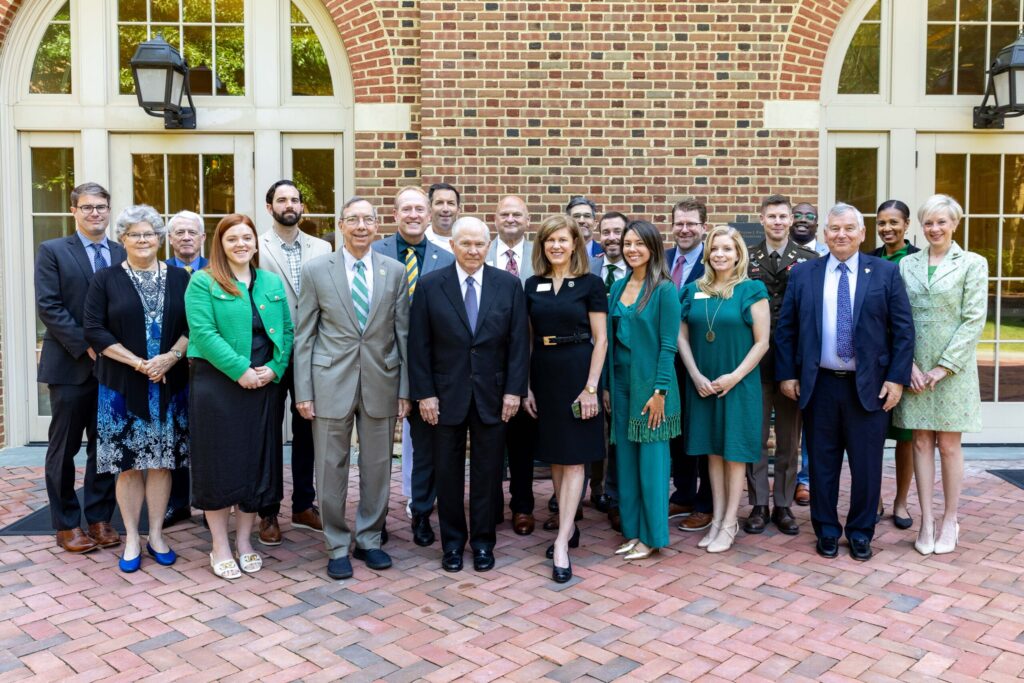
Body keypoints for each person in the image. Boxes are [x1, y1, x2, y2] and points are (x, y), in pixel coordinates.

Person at [775, 203, 914, 561]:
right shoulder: (804, 273)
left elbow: (903, 332)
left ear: (862, 233)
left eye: (849, 229)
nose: (842, 235)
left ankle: (860, 532)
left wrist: (897, 380)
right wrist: (788, 373)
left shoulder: (884, 273)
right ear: (825, 234)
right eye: (835, 228)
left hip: (869, 387)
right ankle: (826, 529)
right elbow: (786, 328)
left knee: (867, 466)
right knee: (822, 464)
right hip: (818, 385)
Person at [294, 196, 410, 580]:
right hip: (329, 382)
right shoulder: (316, 270)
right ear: (340, 225)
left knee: (378, 466)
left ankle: (370, 539)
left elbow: (402, 334)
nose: (361, 226)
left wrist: (406, 388)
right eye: (353, 219)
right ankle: (336, 544)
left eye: (368, 220)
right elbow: (305, 335)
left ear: (377, 226)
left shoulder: (394, 271)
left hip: (382, 380)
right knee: (330, 468)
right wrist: (304, 391)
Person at [409, 216, 529, 573]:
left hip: (493, 395)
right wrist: (425, 394)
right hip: (444, 397)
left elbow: (518, 344)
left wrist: (513, 391)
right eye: (466, 244)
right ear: (453, 246)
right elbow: (419, 345)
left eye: (479, 244)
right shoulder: (431, 286)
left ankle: (482, 543)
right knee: (447, 474)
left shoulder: (507, 285)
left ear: (488, 246)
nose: (473, 250)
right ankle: (451, 544)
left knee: (488, 473)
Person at [185, 214, 293, 579]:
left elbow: (288, 331)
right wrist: (240, 370)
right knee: (220, 466)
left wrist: (275, 369)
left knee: (254, 464)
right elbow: (203, 332)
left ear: (256, 242)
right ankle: (219, 544)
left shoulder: (270, 282)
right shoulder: (203, 282)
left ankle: (245, 541)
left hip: (262, 387)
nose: (241, 244)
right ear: (220, 244)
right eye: (232, 239)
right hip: (217, 388)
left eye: (247, 237)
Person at [83, 205, 190, 571]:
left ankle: (157, 534)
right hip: (121, 385)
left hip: (169, 384)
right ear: (122, 239)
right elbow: (94, 329)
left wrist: (169, 359)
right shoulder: (105, 279)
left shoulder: (181, 279)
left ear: (159, 239)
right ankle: (131, 537)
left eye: (149, 234)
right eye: (134, 234)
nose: (143, 240)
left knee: (161, 464)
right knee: (127, 466)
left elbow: (195, 326)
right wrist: (138, 362)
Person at [894, 194, 987, 556]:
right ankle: (926, 520)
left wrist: (944, 366)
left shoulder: (973, 263)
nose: (934, 229)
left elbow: (973, 319)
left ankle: (950, 518)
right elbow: (899, 318)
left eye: (941, 222)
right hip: (915, 366)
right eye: (928, 223)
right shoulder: (907, 265)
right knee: (919, 441)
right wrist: (911, 365)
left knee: (948, 444)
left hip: (954, 370)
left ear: (955, 223)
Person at [35, 182, 124, 554]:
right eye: (86, 207)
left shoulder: (121, 251)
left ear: (108, 210)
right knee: (64, 448)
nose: (95, 213)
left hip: (114, 370)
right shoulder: (53, 250)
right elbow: (49, 306)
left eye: (101, 207)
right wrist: (89, 345)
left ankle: (100, 518)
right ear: (74, 210)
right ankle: (66, 523)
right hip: (71, 366)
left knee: (105, 447)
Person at [523, 215, 608, 582]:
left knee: (574, 460)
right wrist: (525, 385)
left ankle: (561, 541)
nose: (556, 246)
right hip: (544, 373)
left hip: (577, 370)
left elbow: (601, 339)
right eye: (549, 240)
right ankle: (569, 525)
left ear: (575, 243)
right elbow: (525, 340)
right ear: (542, 246)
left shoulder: (591, 284)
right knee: (557, 456)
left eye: (562, 239)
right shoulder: (532, 285)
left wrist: (591, 387)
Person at [677, 226, 770, 553]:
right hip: (703, 384)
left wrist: (734, 376)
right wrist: (695, 375)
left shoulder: (751, 290)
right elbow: (680, 337)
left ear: (738, 254)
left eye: (727, 249)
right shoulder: (692, 291)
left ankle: (730, 522)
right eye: (715, 249)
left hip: (737, 384)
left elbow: (762, 343)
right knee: (712, 453)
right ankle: (716, 519)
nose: (720, 254)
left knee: (733, 454)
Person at [372, 186, 455, 547]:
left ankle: (421, 512)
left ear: (429, 214)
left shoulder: (446, 257)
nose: (414, 215)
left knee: (425, 447)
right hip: (378, 364)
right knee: (375, 450)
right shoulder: (375, 253)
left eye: (420, 209)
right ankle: (373, 519)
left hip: (426, 368)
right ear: (395, 215)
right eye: (406, 209)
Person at [256, 180, 332, 545]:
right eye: (282, 199)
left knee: (308, 432)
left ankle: (304, 504)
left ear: (303, 207)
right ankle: (267, 510)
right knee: (268, 432)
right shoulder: (256, 245)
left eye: (295, 199)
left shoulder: (323, 247)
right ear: (269, 207)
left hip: (313, 351)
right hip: (271, 351)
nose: (290, 204)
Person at [605, 220, 681, 560]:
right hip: (620, 385)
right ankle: (633, 532)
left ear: (653, 248)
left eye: (639, 243)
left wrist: (661, 391)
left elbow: (669, 345)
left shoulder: (664, 289)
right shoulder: (619, 286)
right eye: (627, 243)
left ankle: (652, 537)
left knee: (651, 465)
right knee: (626, 462)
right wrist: (606, 386)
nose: (632, 249)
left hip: (651, 388)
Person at [745, 194, 819, 536]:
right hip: (754, 360)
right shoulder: (747, 257)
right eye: (771, 216)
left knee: (790, 439)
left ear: (791, 221)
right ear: (761, 219)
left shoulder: (809, 259)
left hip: (792, 362)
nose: (777, 222)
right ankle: (759, 504)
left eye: (782, 217)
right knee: (755, 437)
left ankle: (785, 505)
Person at [486, 196, 539, 536]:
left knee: (523, 442)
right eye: (504, 213)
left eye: (516, 214)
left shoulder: (540, 254)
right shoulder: (479, 250)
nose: (510, 219)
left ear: (527, 219)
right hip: (487, 365)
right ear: (495, 218)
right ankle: (490, 504)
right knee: (489, 441)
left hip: (531, 362)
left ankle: (522, 506)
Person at [665, 198, 713, 533]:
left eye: (691, 224)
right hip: (668, 359)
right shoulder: (663, 261)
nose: (685, 229)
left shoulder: (715, 262)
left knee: (705, 431)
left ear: (704, 227)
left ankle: (706, 502)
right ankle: (683, 492)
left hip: (703, 359)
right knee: (677, 430)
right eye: (679, 223)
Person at [872, 199, 921, 529]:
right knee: (871, 436)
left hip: (907, 358)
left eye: (894, 222)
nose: (887, 228)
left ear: (906, 225)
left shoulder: (917, 260)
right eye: (881, 223)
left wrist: (912, 362)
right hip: (875, 360)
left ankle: (901, 502)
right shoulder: (870, 260)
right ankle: (872, 498)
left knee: (906, 437)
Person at [163, 210, 207, 528]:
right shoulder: (162, 273)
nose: (186, 237)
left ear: (203, 238)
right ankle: (177, 503)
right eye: (179, 232)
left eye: (192, 232)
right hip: (174, 367)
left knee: (209, 437)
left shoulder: (217, 271)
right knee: (176, 434)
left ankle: (210, 503)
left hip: (211, 367)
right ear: (170, 239)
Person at [589, 211, 628, 529]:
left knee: (615, 432)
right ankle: (591, 489)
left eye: (618, 231)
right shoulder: (588, 269)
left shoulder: (637, 272)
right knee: (587, 429)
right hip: (586, 360)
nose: (612, 237)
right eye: (607, 232)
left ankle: (613, 495)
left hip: (619, 363)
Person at [789, 202, 828, 507]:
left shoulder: (827, 258)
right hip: (790, 351)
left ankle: (807, 480)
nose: (802, 221)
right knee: (789, 424)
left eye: (809, 217)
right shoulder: (780, 256)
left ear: (818, 223)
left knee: (815, 423)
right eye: (797, 216)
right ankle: (787, 479)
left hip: (822, 355)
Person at [425, 182, 460, 253]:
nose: (445, 209)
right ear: (430, 209)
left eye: (450, 203)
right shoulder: (421, 240)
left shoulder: (470, 241)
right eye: (439, 203)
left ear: (458, 210)